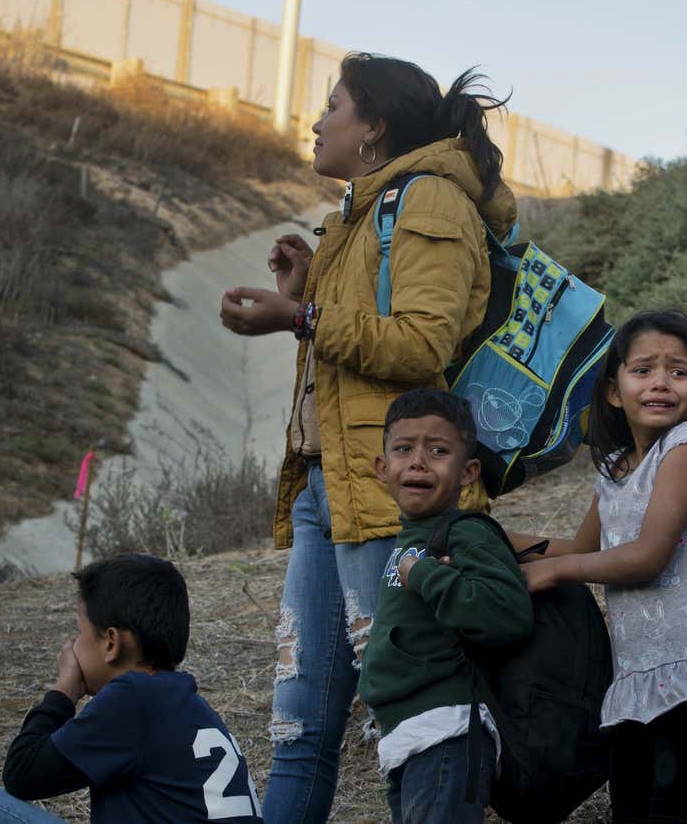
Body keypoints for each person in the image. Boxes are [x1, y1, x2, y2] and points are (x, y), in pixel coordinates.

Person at [218, 52, 514, 824]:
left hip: (395, 499)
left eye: (333, 106)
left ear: (375, 125)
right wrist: (307, 287)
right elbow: (361, 347)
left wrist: (301, 318)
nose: (317, 122)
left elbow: (420, 344)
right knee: (299, 728)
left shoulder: (431, 202)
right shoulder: (359, 212)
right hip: (328, 488)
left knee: (411, 720)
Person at [505, 310, 687, 824]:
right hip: (637, 684)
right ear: (612, 391)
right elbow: (576, 547)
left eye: (679, 371)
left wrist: (555, 573)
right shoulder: (617, 469)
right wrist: (493, 538)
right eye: (643, 369)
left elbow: (647, 556)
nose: (661, 383)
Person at [0, 553, 262, 824]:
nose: (74, 645)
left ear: (112, 642)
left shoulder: (132, 698)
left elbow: (22, 774)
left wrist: (64, 691)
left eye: (80, 632)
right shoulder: (191, 706)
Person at [356, 388, 533, 824]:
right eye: (403, 449)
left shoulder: (463, 533)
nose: (418, 461)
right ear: (383, 467)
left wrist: (428, 576)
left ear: (468, 471)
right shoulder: (410, 537)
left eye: (438, 450)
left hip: (447, 731)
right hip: (410, 737)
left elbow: (508, 611)